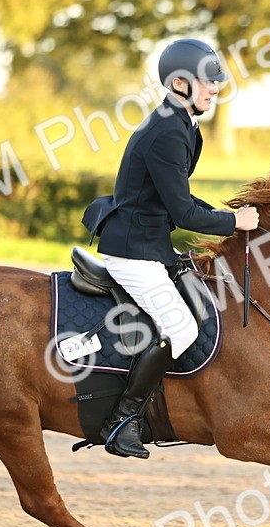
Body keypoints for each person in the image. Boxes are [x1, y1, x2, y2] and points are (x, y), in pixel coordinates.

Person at [81, 38, 259, 459]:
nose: (215, 89)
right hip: (132, 251)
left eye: (216, 82)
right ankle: (121, 419)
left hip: (149, 244)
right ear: (180, 83)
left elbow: (178, 198)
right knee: (181, 328)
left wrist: (229, 216)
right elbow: (182, 213)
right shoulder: (167, 130)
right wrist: (234, 222)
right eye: (207, 82)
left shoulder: (179, 122)